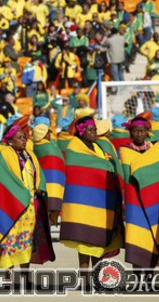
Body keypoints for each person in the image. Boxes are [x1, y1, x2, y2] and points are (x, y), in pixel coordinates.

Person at [0, 124, 54, 277]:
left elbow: (39, 175)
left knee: (27, 242)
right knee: (9, 242)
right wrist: (19, 194)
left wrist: (40, 188)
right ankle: (8, 277)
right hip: (11, 206)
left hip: (30, 207)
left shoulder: (30, 155)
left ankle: (25, 277)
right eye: (19, 138)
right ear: (10, 141)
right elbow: (1, 181)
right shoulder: (3, 155)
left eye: (24, 137)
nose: (24, 140)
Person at [60, 117, 123, 277]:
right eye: (91, 130)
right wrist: (104, 167)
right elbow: (82, 170)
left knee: (98, 241)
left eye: (95, 129)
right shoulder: (74, 148)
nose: (95, 132)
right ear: (81, 132)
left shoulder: (97, 146)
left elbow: (108, 165)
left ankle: (96, 277)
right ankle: (85, 280)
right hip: (82, 202)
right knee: (83, 241)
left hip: (100, 201)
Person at [118, 115, 159, 268]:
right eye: (135, 131)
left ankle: (148, 278)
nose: (139, 134)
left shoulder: (157, 150)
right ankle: (137, 277)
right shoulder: (125, 152)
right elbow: (126, 179)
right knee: (138, 238)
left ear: (147, 132)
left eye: (142, 131)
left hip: (155, 201)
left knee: (153, 241)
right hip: (135, 202)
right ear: (130, 133)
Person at [32, 122, 65, 220]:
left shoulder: (34, 147)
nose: (50, 135)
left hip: (41, 185)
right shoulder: (51, 147)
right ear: (45, 135)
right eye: (48, 133)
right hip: (54, 184)